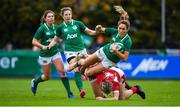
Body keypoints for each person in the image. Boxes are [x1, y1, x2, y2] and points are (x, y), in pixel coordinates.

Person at [48, 7, 97, 98]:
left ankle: (85, 74)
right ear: (62, 16)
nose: (68, 16)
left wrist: (97, 31)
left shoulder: (78, 23)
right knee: (75, 69)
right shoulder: (60, 27)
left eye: (69, 14)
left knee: (91, 68)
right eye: (66, 15)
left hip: (82, 50)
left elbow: (89, 32)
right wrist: (50, 45)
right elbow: (55, 39)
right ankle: (81, 90)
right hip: (70, 52)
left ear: (71, 15)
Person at [31, 10, 75, 98]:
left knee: (62, 72)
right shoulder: (42, 28)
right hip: (44, 54)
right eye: (49, 17)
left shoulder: (57, 27)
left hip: (55, 52)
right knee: (47, 77)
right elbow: (34, 41)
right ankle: (35, 82)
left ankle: (69, 93)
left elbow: (62, 36)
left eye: (52, 16)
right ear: (45, 18)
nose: (51, 18)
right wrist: (42, 46)